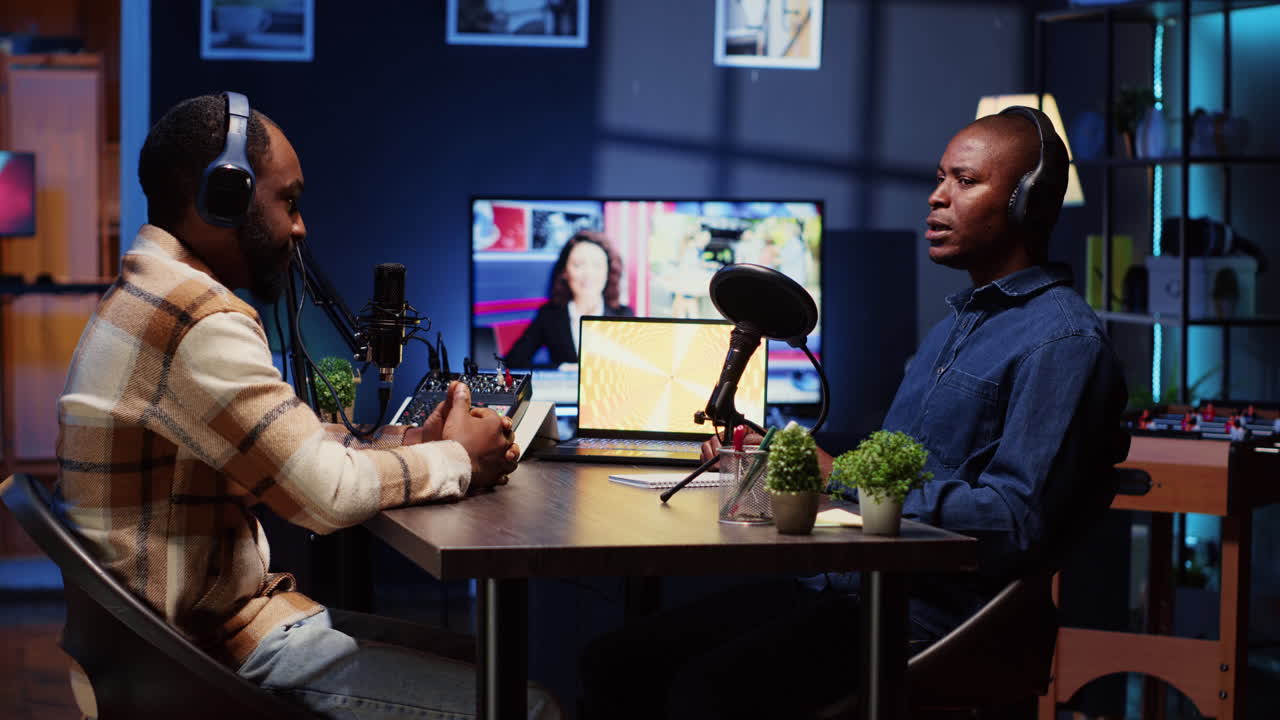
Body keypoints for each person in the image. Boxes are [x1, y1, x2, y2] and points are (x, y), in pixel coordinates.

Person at [579, 107, 1130, 719]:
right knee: (616, 661)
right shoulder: (958, 326)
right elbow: (906, 463)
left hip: (929, 620)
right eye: (939, 177)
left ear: (1028, 203)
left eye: (965, 182)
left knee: (702, 695)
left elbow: (1016, 521)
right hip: (850, 587)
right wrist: (778, 455)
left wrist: (837, 475)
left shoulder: (1064, 344)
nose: (936, 198)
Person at [55, 93, 558, 719]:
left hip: (159, 647)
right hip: (207, 657)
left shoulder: (147, 291)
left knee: (488, 661)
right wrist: (458, 456)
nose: (300, 227)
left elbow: (284, 446)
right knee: (525, 703)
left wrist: (415, 446)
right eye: (288, 202)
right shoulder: (197, 319)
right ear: (225, 198)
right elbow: (327, 497)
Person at [503, 230, 633, 367]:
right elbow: (513, 362)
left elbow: (633, 370)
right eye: (578, 265)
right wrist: (560, 369)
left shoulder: (623, 316)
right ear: (565, 272)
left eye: (597, 265)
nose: (588, 274)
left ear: (608, 272)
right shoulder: (549, 315)